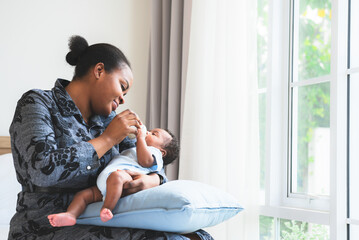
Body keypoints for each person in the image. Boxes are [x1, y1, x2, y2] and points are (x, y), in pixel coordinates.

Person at [8, 35, 213, 240]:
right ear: (99, 71)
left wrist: (152, 180)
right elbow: (42, 170)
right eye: (122, 86)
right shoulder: (37, 103)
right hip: (44, 224)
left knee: (198, 236)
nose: (123, 98)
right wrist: (107, 140)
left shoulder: (109, 121)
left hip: (103, 216)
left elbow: (148, 163)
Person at [47, 125, 179, 226]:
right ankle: (71, 215)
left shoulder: (154, 154)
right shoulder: (136, 147)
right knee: (83, 195)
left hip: (124, 178)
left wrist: (140, 138)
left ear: (162, 152)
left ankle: (107, 208)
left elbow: (145, 161)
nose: (148, 132)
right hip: (105, 183)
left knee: (117, 177)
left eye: (154, 134)